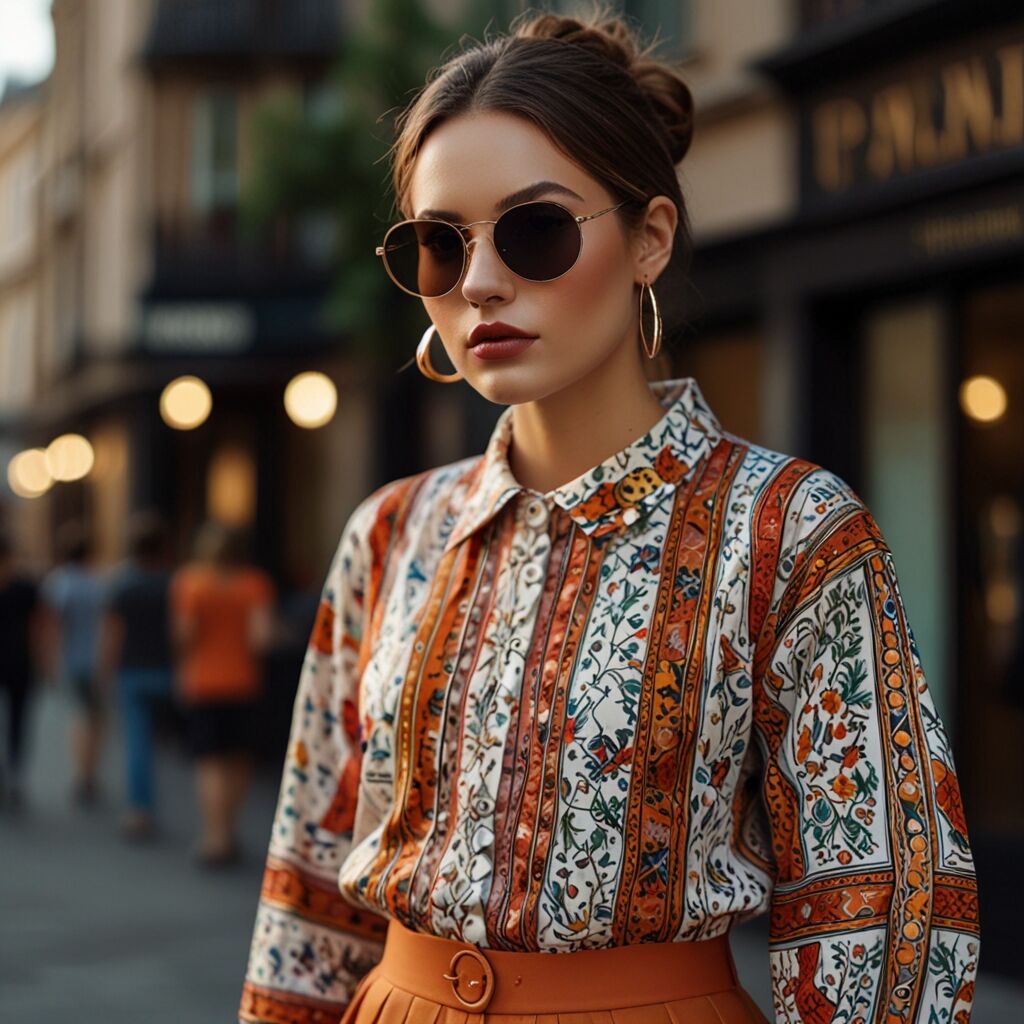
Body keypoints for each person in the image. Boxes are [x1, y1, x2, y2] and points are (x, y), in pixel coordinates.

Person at [239, 6, 981, 1024]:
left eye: (535, 229)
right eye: (438, 245)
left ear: (650, 239)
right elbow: (310, 884)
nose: (482, 281)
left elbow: (882, 911)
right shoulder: (390, 531)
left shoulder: (789, 530)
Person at [170, 520, 275, 867]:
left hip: (202, 682)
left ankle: (215, 836)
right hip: (243, 682)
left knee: (210, 760)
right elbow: (261, 639)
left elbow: (184, 636)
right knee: (238, 758)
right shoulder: (254, 584)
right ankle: (229, 828)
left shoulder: (190, 583)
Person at [98, 510, 175, 841]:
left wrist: (106, 669)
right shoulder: (174, 583)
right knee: (176, 743)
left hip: (132, 671)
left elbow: (112, 635)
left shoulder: (123, 585)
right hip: (168, 669)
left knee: (137, 743)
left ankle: (140, 809)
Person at [39, 520, 110, 807]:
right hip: (97, 659)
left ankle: (83, 772)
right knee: (96, 717)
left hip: (73, 658)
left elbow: (52, 627)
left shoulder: (59, 582)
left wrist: (50, 661)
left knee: (81, 716)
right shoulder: (99, 583)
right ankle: (89, 771)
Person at [0, 530, 43, 811]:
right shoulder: (26, 586)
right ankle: (14, 773)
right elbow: (38, 628)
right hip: (20, 661)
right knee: (18, 721)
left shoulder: (26, 587)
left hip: (17, 662)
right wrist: (43, 660)